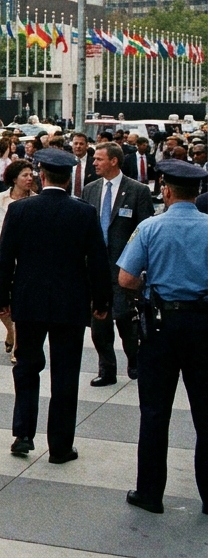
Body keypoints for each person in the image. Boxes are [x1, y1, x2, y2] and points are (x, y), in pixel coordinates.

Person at [0, 148, 111, 463]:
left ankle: (23, 434)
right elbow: (98, 262)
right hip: (69, 305)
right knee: (65, 374)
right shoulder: (84, 213)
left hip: (29, 301)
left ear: (41, 175)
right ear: (70, 177)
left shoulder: (19, 210)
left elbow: (5, 258)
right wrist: (101, 301)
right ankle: (60, 446)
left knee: (27, 368)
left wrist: (1, 298)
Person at [118, 160, 208, 515]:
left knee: (155, 412)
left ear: (166, 190)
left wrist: (152, 287)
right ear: (198, 193)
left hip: (160, 327)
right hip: (204, 326)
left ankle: (150, 493)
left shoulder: (150, 227)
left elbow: (125, 278)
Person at [82, 142, 152, 387]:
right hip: (96, 268)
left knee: (125, 320)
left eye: (99, 159)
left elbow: (145, 231)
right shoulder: (90, 189)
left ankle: (135, 360)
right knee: (99, 325)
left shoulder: (137, 191)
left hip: (125, 268)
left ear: (114, 161)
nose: (94, 163)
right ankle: (106, 369)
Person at [0, 160, 36, 363]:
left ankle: (19, 346)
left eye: (31, 175)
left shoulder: (36, 200)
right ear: (14, 179)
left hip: (25, 259)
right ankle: (11, 331)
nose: (30, 178)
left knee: (20, 302)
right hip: (0, 256)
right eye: (25, 175)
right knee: (0, 301)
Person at [68, 132, 97, 199]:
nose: (78, 146)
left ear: (87, 146)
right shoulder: (66, 162)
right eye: (75, 143)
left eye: (81, 144)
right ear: (72, 145)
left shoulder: (94, 163)